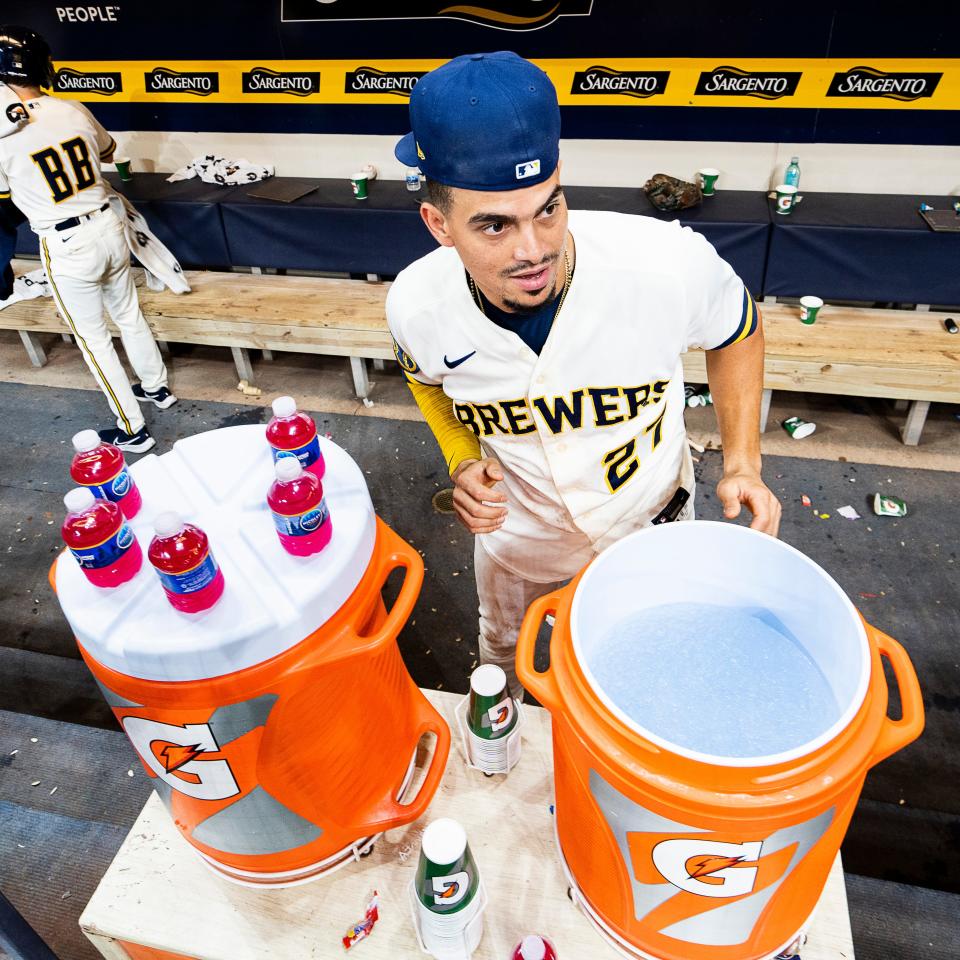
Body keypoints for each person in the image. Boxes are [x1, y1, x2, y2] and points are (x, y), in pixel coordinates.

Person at [387, 52, 781, 699]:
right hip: (521, 534)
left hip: (649, 515)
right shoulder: (416, 305)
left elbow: (738, 328)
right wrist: (460, 458)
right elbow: (424, 378)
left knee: (649, 655)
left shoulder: (663, 264)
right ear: (439, 224)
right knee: (506, 660)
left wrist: (742, 462)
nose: (533, 249)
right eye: (495, 225)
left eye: (547, 209)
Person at [0, 25, 176, 453]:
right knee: (128, 313)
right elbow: (110, 150)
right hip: (109, 226)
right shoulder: (72, 108)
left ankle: (133, 430)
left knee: (93, 340)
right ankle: (157, 389)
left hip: (67, 244)